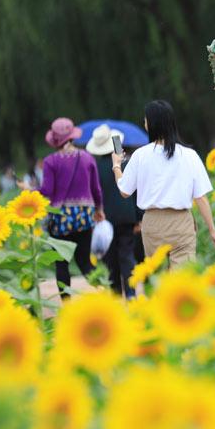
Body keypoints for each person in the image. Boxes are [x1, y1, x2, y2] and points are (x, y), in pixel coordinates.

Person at [113, 100, 215, 265]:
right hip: (181, 223)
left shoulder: (140, 156)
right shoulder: (189, 155)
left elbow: (124, 191)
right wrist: (213, 231)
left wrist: (116, 165)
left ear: (150, 124)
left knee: (159, 278)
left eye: (145, 119)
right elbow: (201, 198)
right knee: (183, 279)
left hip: (152, 223)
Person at [21, 117, 105, 297]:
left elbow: (47, 191)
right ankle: (104, 293)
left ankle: (66, 306)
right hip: (84, 216)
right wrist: (99, 209)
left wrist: (29, 189)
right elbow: (96, 188)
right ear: (72, 136)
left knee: (61, 263)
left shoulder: (51, 161)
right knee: (84, 262)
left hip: (60, 219)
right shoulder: (87, 158)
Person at [88, 124, 140, 298]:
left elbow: (93, 194)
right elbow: (135, 192)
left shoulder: (93, 168)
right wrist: (139, 218)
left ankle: (116, 294)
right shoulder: (124, 164)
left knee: (111, 260)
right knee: (127, 255)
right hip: (127, 216)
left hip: (105, 218)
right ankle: (131, 294)